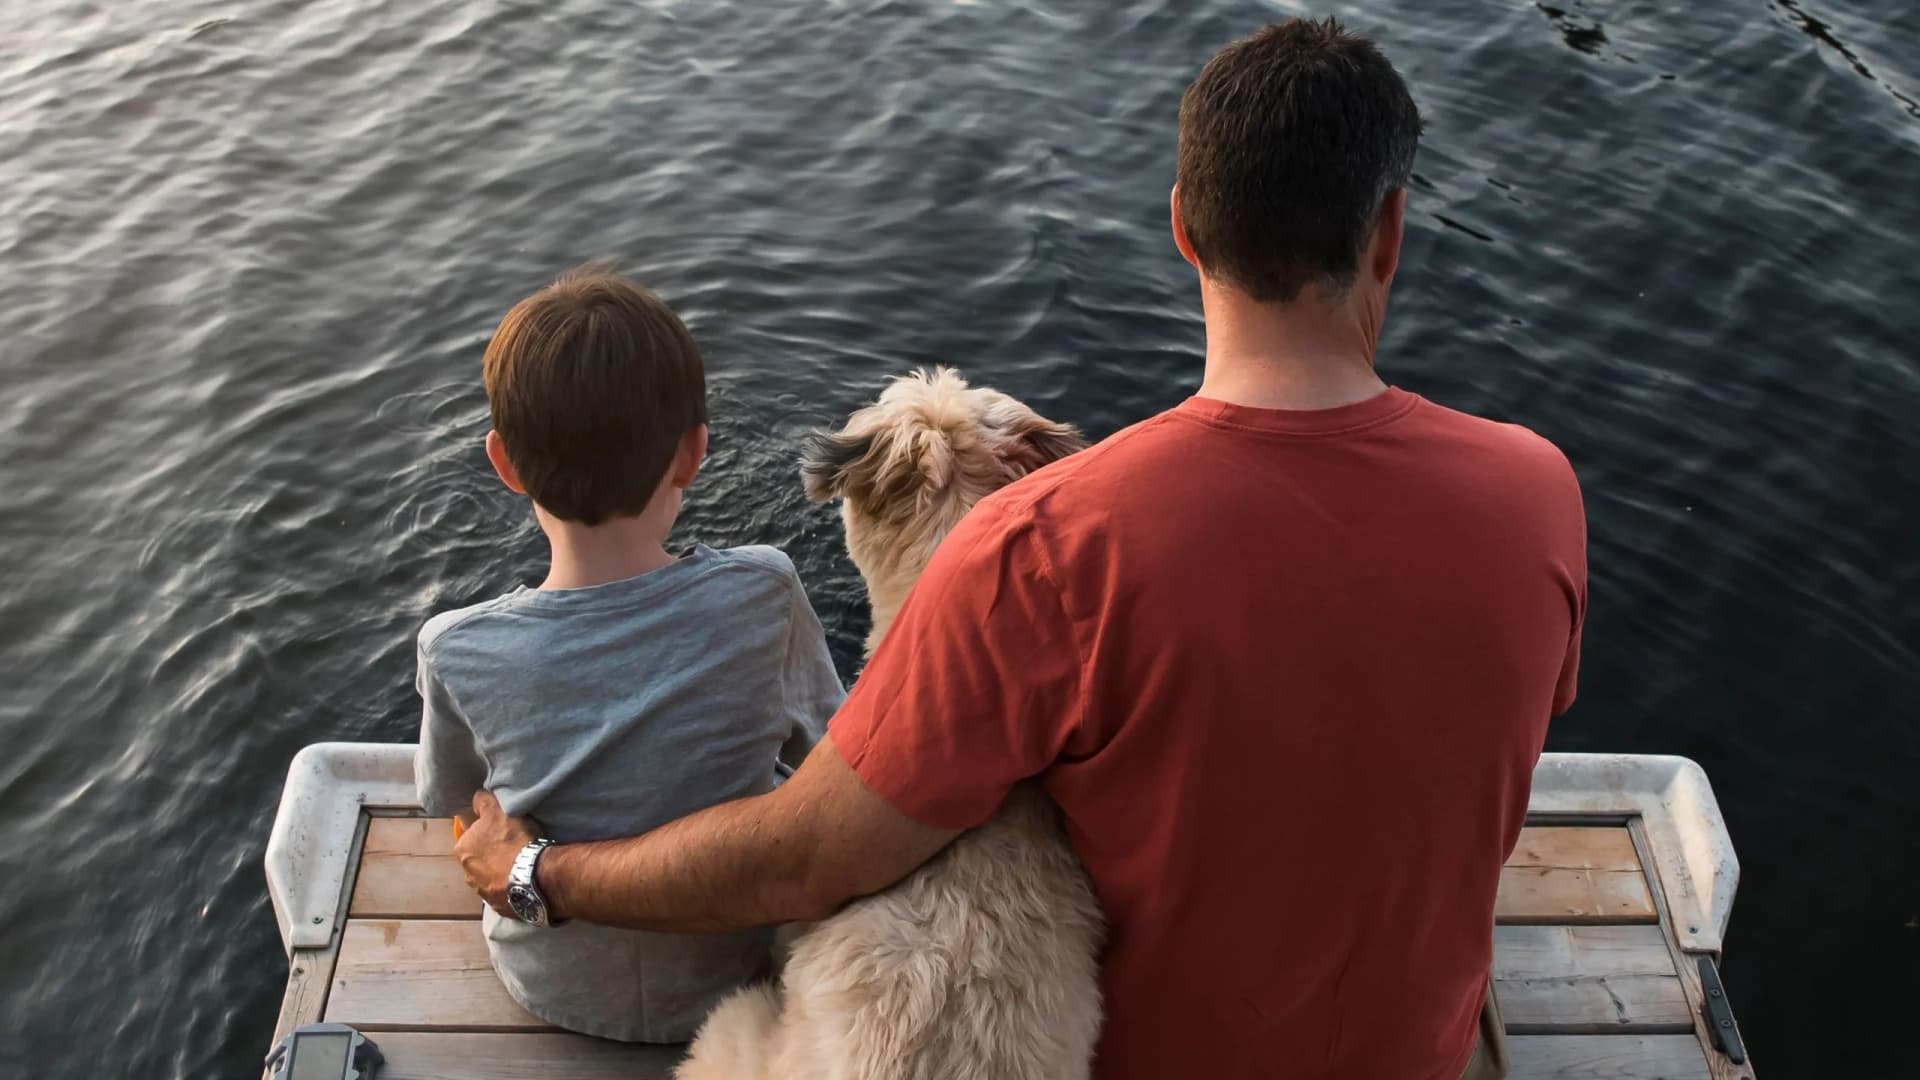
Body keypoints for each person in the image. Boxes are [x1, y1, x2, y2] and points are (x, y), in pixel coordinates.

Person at [456, 19, 1586, 1080]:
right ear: (1389, 232)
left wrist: (539, 872)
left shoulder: (1046, 547)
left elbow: (806, 858)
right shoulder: (1536, 493)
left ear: (1183, 226)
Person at [413, 268, 841, 1043]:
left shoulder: (456, 647)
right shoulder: (764, 591)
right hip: (735, 980)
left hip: (549, 986)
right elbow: (829, 753)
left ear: (505, 464)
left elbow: (462, 811)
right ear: (693, 454)